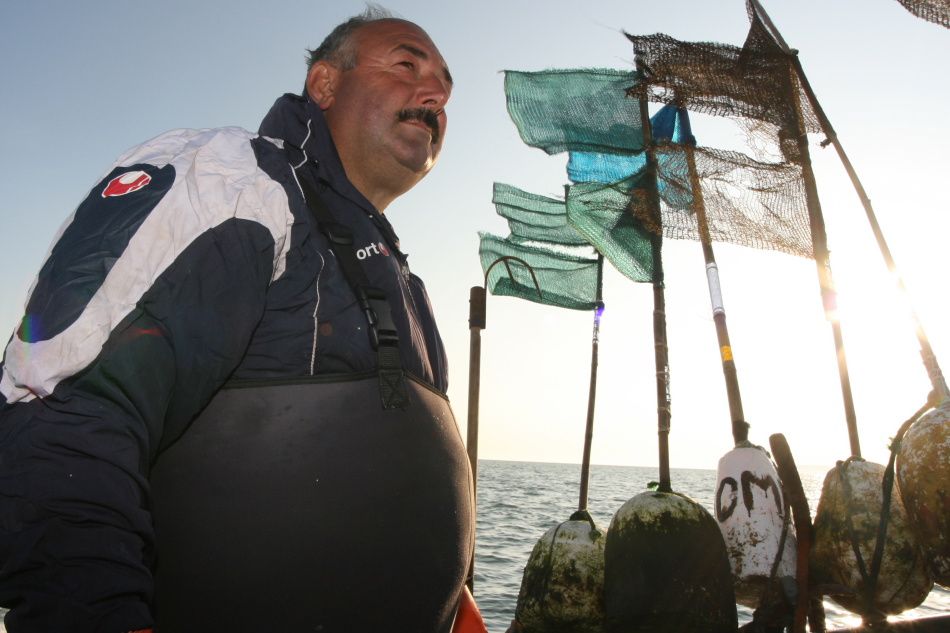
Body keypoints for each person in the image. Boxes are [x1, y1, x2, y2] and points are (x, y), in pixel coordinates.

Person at [0, 7, 484, 632]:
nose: (435, 94)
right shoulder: (235, 182)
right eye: (405, 65)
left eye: (444, 85)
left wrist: (451, 605)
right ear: (325, 84)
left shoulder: (396, 269)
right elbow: (63, 407)